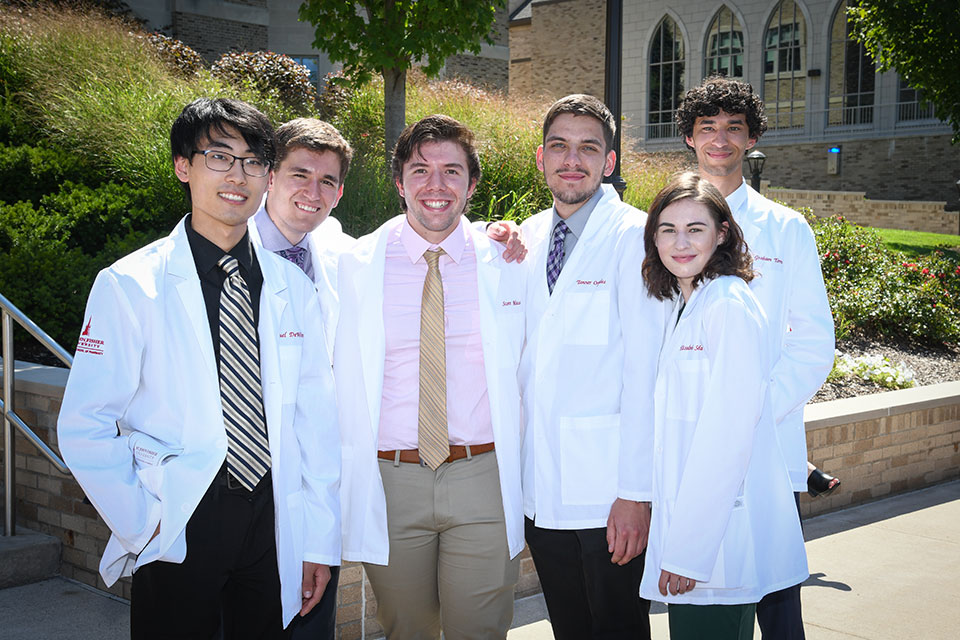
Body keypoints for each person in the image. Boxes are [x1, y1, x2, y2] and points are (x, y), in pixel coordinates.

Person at [56, 98, 341, 639]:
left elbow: (316, 426)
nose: (239, 175)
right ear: (183, 167)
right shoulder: (129, 285)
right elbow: (85, 424)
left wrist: (317, 541)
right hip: (180, 518)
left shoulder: (292, 287)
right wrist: (145, 524)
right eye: (219, 157)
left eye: (254, 161)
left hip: (272, 519)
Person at [333, 114, 527, 639]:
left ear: (472, 184)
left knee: (481, 631)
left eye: (451, 171)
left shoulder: (509, 260)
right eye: (420, 171)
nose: (435, 186)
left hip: (482, 476)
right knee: (405, 630)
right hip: (392, 480)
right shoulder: (353, 265)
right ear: (399, 183)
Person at [675, 75, 835, 639]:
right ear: (690, 139)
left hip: (767, 441)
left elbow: (812, 342)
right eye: (707, 128)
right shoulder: (665, 223)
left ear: (751, 139)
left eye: (733, 128)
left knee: (778, 610)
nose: (720, 139)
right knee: (702, 599)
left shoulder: (786, 229)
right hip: (687, 447)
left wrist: (748, 412)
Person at [638, 172, 808, 640]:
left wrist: (688, 551)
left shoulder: (729, 304)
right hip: (697, 539)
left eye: (696, 228)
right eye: (668, 229)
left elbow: (728, 433)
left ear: (722, 233)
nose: (681, 242)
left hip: (713, 549)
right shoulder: (689, 301)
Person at [518, 94, 663, 639]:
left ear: (610, 162)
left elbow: (647, 371)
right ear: (541, 157)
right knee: (569, 628)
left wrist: (635, 493)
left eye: (587, 148)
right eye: (559, 146)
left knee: (619, 629)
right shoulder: (525, 238)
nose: (570, 159)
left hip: (609, 492)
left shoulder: (638, 237)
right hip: (541, 490)